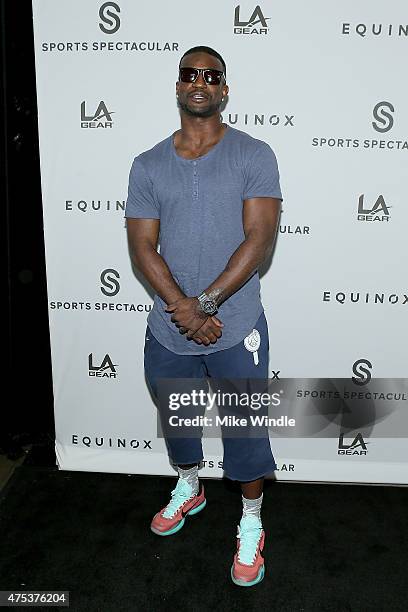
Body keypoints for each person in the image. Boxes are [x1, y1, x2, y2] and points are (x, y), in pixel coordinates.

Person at [125, 45, 283, 587]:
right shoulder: (147, 163)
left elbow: (260, 237)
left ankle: (252, 521)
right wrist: (183, 310)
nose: (200, 83)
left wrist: (207, 305)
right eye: (190, 74)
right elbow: (143, 245)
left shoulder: (253, 154)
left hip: (234, 324)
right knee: (180, 420)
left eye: (210, 75)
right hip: (169, 328)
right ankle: (189, 486)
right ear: (177, 86)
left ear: (223, 88)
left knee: (244, 430)